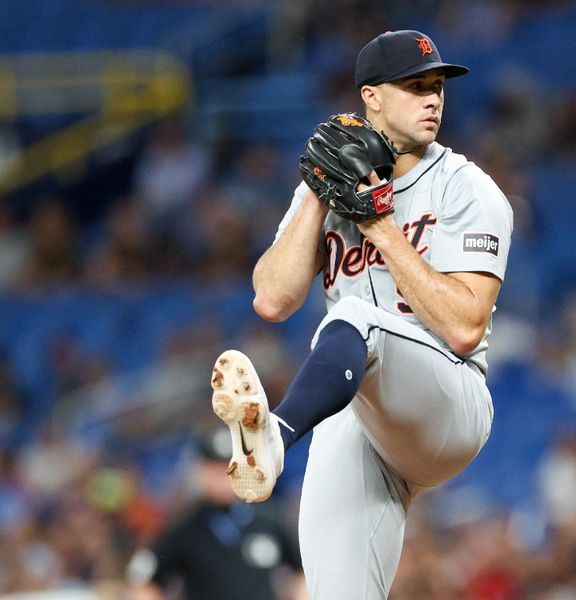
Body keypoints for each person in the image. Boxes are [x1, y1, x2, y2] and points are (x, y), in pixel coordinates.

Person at [210, 29, 513, 599]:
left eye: (438, 87)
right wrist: (318, 194)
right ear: (370, 97)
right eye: (415, 86)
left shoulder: (466, 188)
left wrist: (379, 227)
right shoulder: (325, 187)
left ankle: (275, 433)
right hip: (360, 413)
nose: (433, 99)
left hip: (447, 401)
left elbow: (465, 328)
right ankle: (278, 438)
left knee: (356, 317)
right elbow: (272, 300)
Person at [127, 428, 305, 600]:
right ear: (200, 471)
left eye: (231, 467)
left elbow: (302, 572)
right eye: (216, 469)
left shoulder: (268, 520)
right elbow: (142, 581)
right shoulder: (184, 527)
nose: (225, 476)